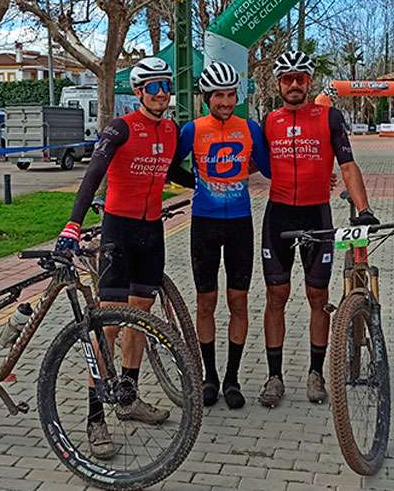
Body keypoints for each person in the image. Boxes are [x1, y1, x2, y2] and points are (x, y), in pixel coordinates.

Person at [54, 57, 194, 459]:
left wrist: (208, 180)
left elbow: (171, 171)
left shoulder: (170, 130)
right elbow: (93, 174)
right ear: (138, 92)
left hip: (153, 234)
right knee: (109, 327)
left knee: (141, 322)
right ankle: (95, 417)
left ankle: (129, 397)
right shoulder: (120, 127)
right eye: (153, 88)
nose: (162, 93)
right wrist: (72, 225)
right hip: (118, 233)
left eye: (166, 86)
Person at [259, 51, 379, 408]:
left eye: (300, 78)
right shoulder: (269, 120)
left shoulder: (329, 117)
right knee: (275, 296)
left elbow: (347, 164)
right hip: (278, 215)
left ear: (309, 82)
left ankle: (315, 373)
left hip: (317, 215)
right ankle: (274, 376)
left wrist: (364, 208)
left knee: (317, 297)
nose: (294, 84)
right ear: (278, 83)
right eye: (287, 78)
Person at [174, 62, 270, 409]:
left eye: (230, 95)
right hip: (204, 224)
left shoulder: (250, 128)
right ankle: (209, 377)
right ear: (207, 98)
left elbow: (272, 167)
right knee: (206, 302)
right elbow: (172, 165)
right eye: (219, 96)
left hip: (240, 224)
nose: (226, 102)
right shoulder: (192, 129)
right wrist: (196, 183)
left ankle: (232, 378)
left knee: (238, 302)